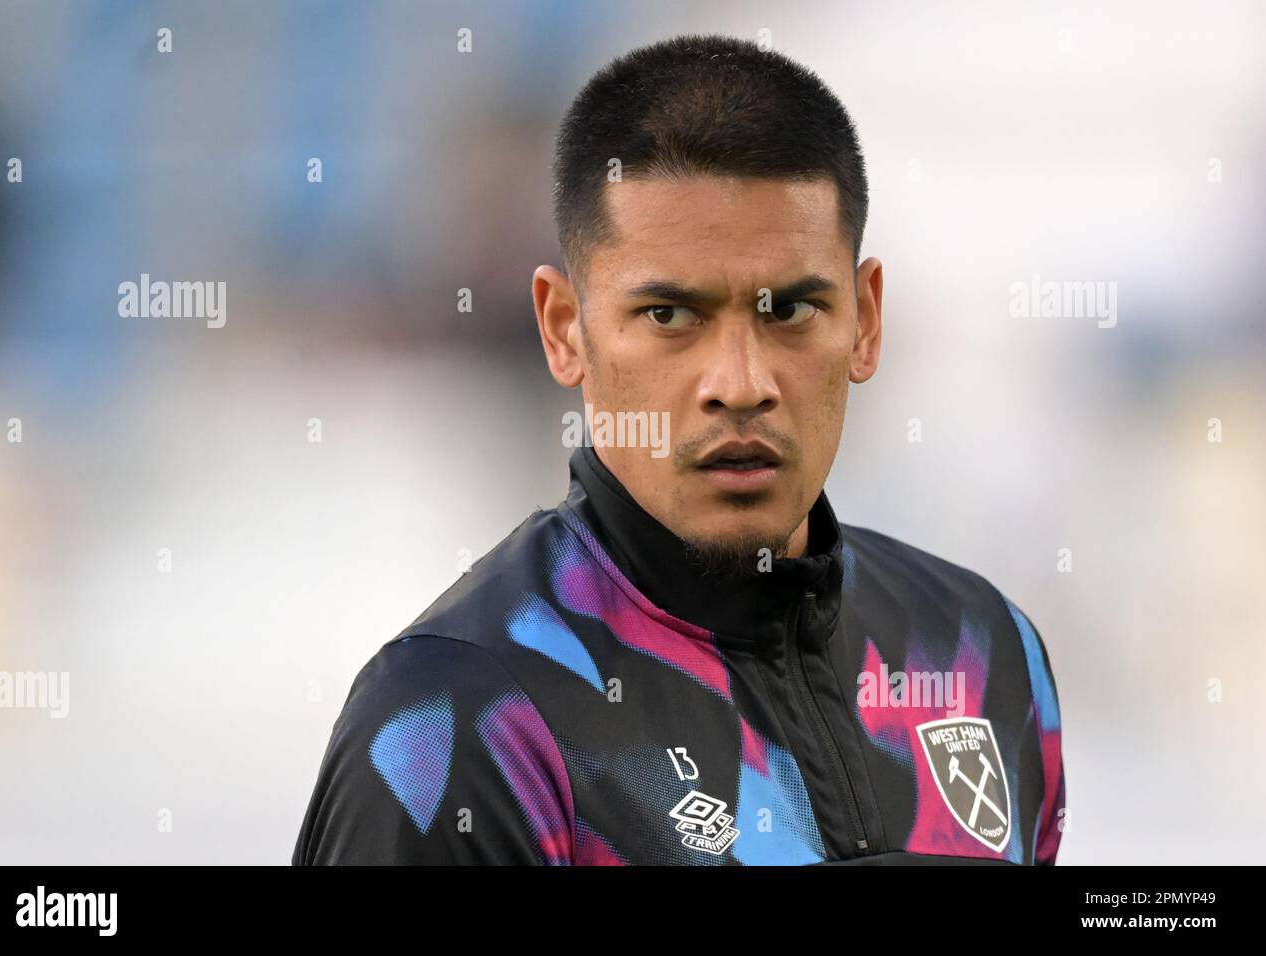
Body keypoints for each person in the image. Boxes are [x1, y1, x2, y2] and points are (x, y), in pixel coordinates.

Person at [294, 33, 1065, 866]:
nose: (739, 384)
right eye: (669, 315)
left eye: (792, 312)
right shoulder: (456, 720)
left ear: (866, 321)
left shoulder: (982, 649)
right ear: (566, 331)